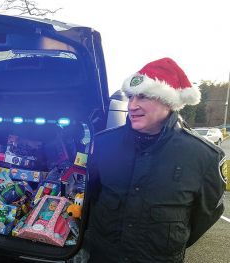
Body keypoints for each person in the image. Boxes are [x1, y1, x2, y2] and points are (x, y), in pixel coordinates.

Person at [84, 58, 226, 262]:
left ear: (169, 102)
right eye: (131, 97)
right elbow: (92, 198)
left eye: (143, 97)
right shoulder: (104, 144)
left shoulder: (204, 156)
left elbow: (205, 216)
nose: (132, 105)